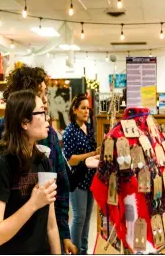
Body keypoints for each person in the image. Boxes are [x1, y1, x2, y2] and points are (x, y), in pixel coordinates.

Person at [0, 66, 77, 254]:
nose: (46, 103)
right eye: (42, 97)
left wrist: (62, 236)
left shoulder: (44, 149)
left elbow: (58, 191)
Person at [0, 90, 60, 254]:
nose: (48, 118)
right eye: (41, 112)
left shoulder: (42, 161)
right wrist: (33, 204)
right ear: (24, 122)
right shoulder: (0, 164)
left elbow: (51, 225)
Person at [62, 94, 99, 255]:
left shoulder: (88, 128)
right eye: (82, 108)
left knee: (86, 219)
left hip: (90, 178)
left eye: (87, 108)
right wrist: (91, 154)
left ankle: (83, 250)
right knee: (79, 217)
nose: (86, 111)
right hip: (77, 180)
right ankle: (75, 251)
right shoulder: (70, 131)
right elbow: (70, 160)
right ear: (74, 110)